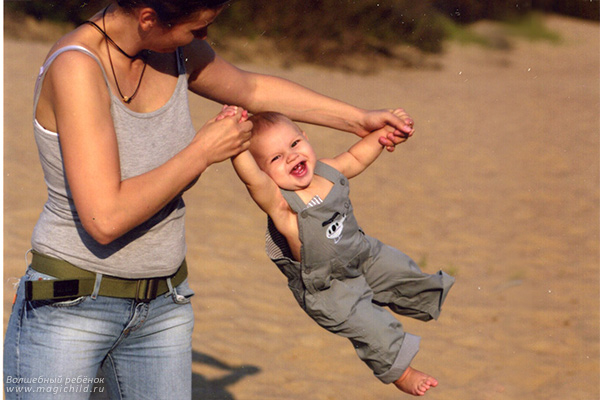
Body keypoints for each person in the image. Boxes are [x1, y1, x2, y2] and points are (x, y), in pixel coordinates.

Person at [3, 1, 415, 399]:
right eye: (197, 29)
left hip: (164, 305)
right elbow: (104, 218)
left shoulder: (172, 49)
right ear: (149, 18)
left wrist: (358, 119)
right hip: (72, 306)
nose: (204, 38)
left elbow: (251, 89)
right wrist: (202, 151)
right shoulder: (76, 65)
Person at [229, 109, 454, 396]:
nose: (290, 157)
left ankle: (421, 300)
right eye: (275, 158)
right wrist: (235, 142)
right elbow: (250, 179)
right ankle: (402, 372)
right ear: (264, 172)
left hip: (361, 253)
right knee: (370, 326)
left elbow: (356, 157)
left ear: (305, 138)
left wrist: (384, 135)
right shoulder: (281, 204)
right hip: (328, 286)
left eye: (295, 144)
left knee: (401, 270)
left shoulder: (326, 170)